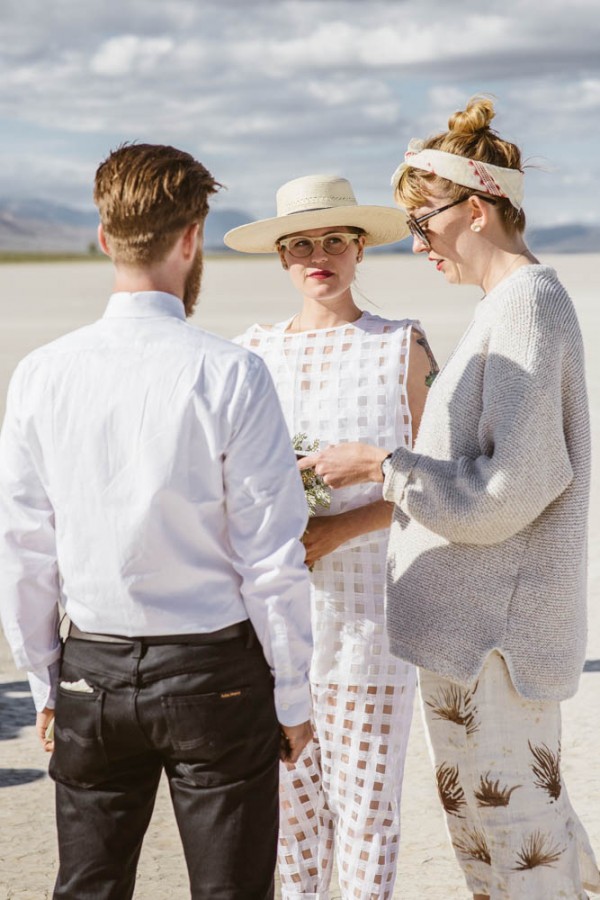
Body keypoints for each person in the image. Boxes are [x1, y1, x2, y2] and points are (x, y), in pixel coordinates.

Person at [300, 99, 600, 899]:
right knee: (499, 850)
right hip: (475, 645)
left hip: (496, 648)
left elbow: (512, 491)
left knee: (522, 851)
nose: (417, 242)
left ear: (477, 208)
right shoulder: (503, 307)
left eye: (422, 222)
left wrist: (381, 464)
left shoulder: (529, 303)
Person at [0, 143, 313, 900]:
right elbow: (270, 554)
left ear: (105, 238)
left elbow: (24, 549)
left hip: (92, 672)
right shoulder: (230, 371)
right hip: (216, 675)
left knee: (89, 888)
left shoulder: (42, 373)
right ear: (193, 237)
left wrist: (46, 684)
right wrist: (295, 697)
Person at [224, 174, 437, 900]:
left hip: (372, 618)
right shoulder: (247, 356)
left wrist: (344, 525)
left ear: (359, 251)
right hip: (271, 623)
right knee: (289, 819)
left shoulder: (400, 346)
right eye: (301, 245)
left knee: (368, 813)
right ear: (282, 258)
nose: (319, 256)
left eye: (334, 242)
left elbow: (436, 480)